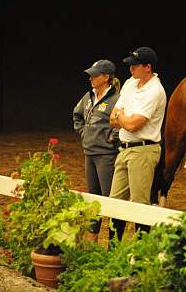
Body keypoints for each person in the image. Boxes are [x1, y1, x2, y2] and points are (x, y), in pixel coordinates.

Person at [109, 46, 167, 240]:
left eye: (135, 65)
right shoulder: (129, 84)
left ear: (148, 67)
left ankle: (140, 254)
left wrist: (122, 117)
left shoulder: (155, 90)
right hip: (124, 148)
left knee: (139, 205)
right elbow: (112, 118)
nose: (131, 69)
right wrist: (125, 118)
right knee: (115, 203)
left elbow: (134, 125)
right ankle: (112, 250)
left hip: (143, 150)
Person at [72, 59, 121, 242]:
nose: (91, 78)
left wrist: (112, 138)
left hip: (106, 156)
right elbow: (76, 114)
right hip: (89, 154)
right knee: (94, 198)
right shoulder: (88, 96)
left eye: (95, 75)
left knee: (110, 198)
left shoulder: (116, 99)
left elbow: (120, 121)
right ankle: (92, 240)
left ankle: (114, 241)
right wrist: (84, 132)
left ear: (106, 77)